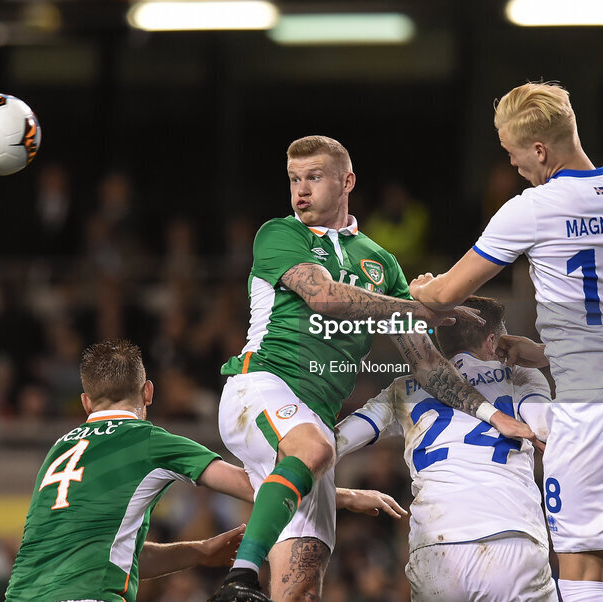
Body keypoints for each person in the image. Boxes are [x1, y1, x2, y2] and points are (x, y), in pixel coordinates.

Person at [210, 135, 540, 602]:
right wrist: (417, 308)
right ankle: (239, 578)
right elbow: (324, 297)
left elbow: (427, 365)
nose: (301, 189)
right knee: (315, 448)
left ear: (347, 182)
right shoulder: (280, 234)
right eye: (294, 179)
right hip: (264, 385)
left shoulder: (381, 262)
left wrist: (492, 414)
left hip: (315, 421)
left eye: (314, 177)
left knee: (302, 588)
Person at [410, 82, 603, 602]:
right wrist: (549, 353)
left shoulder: (533, 207)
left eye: (512, 155)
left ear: (538, 150)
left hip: (591, 415)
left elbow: (445, 295)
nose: (513, 167)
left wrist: (419, 289)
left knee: (579, 579)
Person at [5, 339, 402, 601]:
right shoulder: (148, 440)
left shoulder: (59, 450)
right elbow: (257, 486)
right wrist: (344, 496)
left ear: (86, 402)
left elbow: (119, 554)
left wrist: (199, 551)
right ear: (148, 392)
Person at [335, 296, 555, 601]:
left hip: (437, 543)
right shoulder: (520, 375)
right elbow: (546, 430)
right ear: (492, 341)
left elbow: (336, 441)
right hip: (510, 532)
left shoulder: (403, 388)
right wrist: (547, 355)